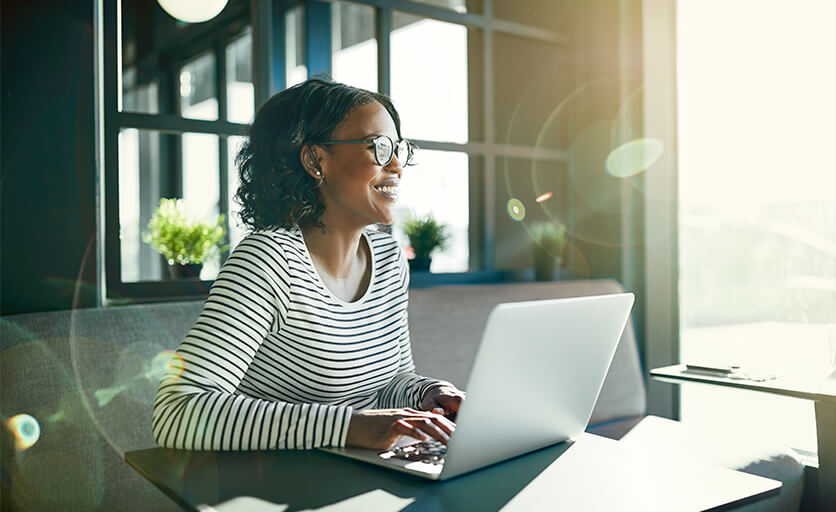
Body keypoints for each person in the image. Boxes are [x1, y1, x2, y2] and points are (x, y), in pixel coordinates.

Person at [152, 78, 465, 451]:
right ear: (316, 160)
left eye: (398, 148)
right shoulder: (267, 261)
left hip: (359, 475)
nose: (397, 165)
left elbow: (389, 381)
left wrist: (427, 394)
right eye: (378, 148)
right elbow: (177, 410)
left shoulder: (388, 259)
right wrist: (349, 427)